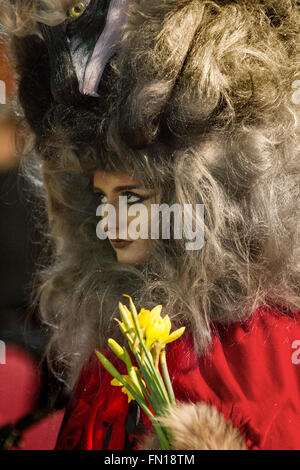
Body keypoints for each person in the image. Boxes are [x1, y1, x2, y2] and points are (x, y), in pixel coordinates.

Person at [1, 0, 300, 450]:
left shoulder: (263, 352)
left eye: (132, 197)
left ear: (203, 196)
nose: (110, 220)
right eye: (102, 197)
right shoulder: (124, 333)